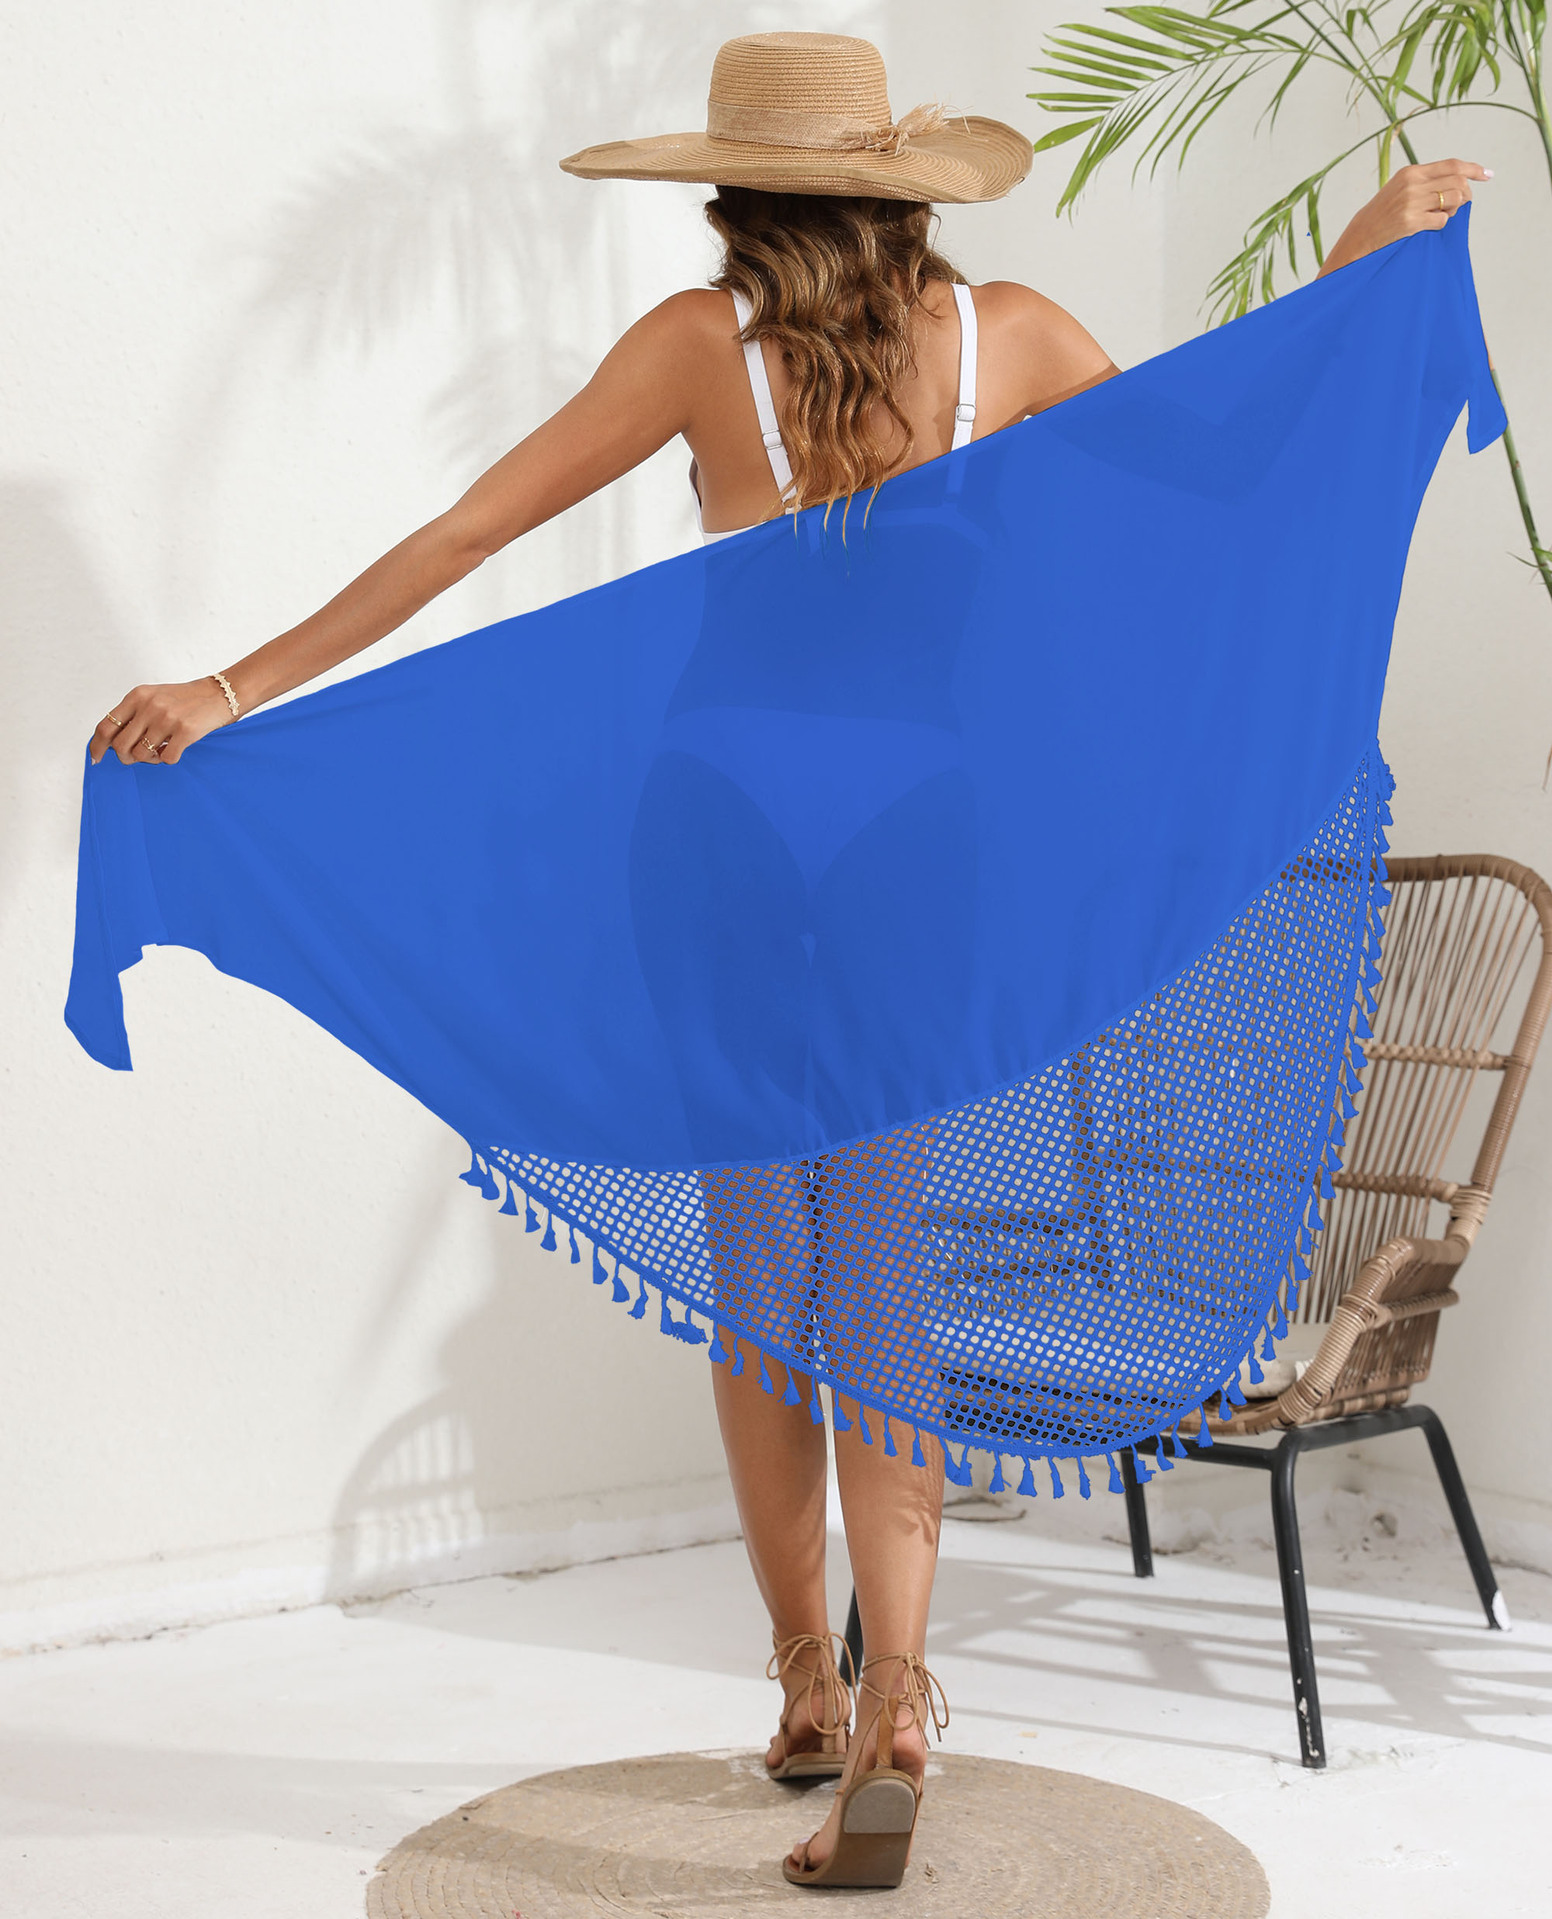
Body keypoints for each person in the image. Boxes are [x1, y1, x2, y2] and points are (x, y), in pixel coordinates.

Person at [87, 29, 1487, 1891]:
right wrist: (1360, 268)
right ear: (905, 191)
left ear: (737, 198)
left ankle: (805, 1683)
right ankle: (900, 1700)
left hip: (720, 842)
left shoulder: (699, 349)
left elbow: (468, 531)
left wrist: (230, 686)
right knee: (879, 1275)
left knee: (766, 1278)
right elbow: (1223, 461)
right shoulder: (1012, 339)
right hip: (921, 849)